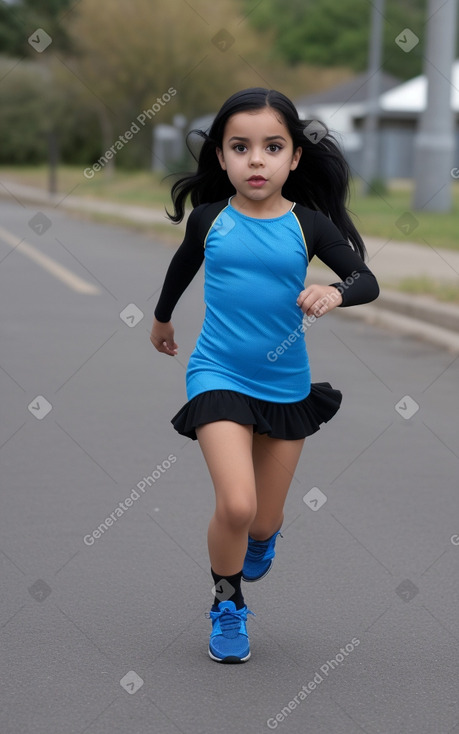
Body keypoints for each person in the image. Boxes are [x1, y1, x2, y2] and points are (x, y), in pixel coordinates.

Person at [150, 87, 379, 664]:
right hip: (217, 372)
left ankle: (262, 537)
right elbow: (183, 266)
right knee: (236, 504)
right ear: (222, 158)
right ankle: (228, 605)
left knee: (264, 519)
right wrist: (161, 319)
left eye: (272, 147)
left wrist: (333, 290)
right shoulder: (209, 220)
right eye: (240, 147)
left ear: (294, 158)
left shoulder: (309, 225)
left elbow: (366, 281)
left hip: (284, 386)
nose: (256, 160)